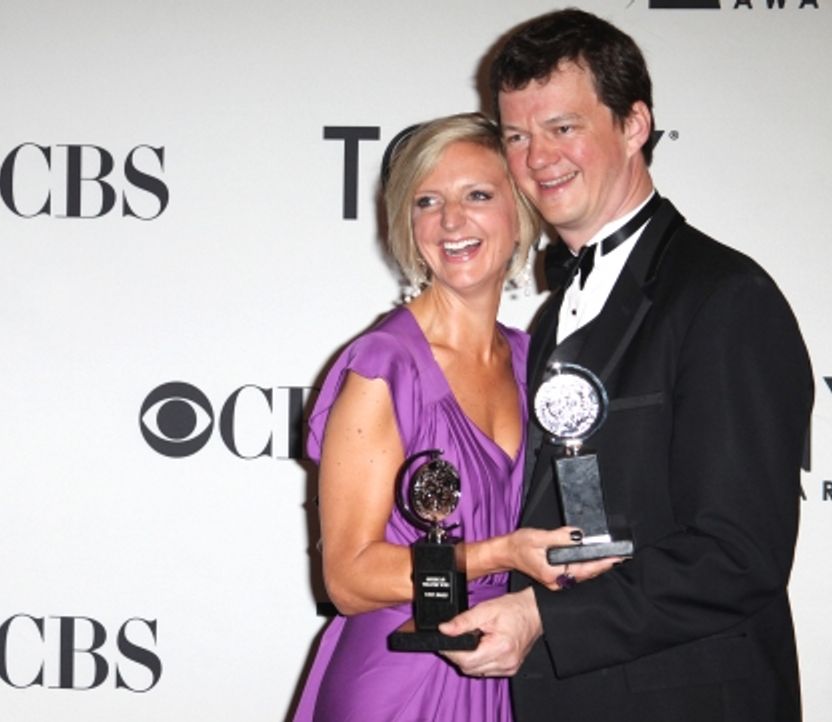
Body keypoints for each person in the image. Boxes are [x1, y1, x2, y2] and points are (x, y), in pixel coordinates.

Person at [439, 10, 813, 722]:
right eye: (517, 135)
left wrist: (546, 620)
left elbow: (739, 556)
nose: (537, 157)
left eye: (563, 127)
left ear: (635, 125)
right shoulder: (552, 315)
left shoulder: (725, 297)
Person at [292, 113, 608, 722]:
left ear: (520, 213)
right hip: (401, 679)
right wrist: (501, 555)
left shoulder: (533, 361)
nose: (451, 222)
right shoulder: (384, 368)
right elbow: (349, 577)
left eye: (478, 196)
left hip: (506, 673)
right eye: (428, 201)